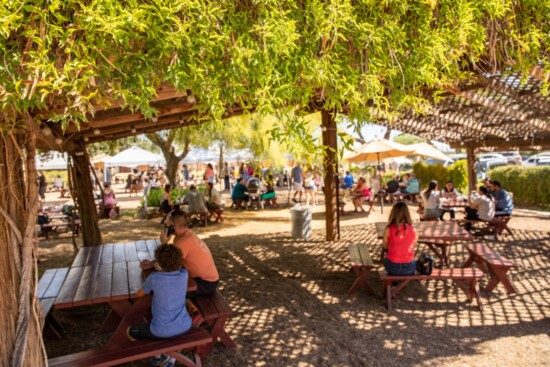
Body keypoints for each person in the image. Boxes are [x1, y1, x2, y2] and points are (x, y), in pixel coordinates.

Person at [128, 244, 192, 367]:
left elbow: (140, 293)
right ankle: (169, 357)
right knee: (158, 327)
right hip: (185, 326)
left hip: (160, 331)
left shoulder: (155, 278)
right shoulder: (184, 274)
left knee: (130, 331)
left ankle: (159, 355)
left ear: (158, 263)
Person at [148, 210, 219, 297]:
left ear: (173, 227)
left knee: (164, 290)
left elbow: (167, 265)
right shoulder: (188, 234)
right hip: (206, 279)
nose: (165, 227)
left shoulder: (183, 241)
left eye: (166, 224)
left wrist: (163, 244)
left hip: (205, 283)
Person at [382, 202, 418, 276]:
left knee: (385, 260)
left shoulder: (388, 229)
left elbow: (385, 246)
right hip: (409, 267)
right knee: (415, 260)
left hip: (393, 267)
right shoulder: (413, 230)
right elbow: (413, 246)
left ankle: (395, 282)